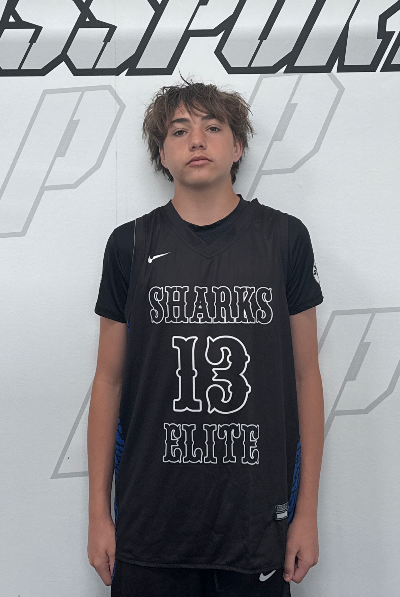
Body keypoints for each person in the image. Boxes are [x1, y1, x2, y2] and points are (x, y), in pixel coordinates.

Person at [87, 79, 325, 597]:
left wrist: (306, 512)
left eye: (212, 128)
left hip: (254, 524)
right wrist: (98, 515)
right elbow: (108, 381)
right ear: (162, 154)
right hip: (150, 524)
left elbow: (306, 377)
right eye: (179, 131)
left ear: (237, 147)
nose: (196, 140)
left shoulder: (284, 237)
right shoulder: (130, 244)